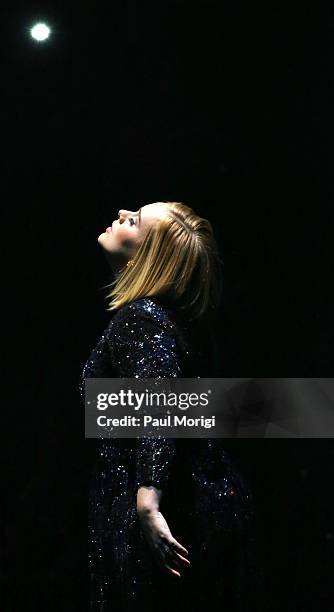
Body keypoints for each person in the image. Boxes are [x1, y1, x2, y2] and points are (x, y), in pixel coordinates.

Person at [80, 201, 262, 611]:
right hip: (201, 494)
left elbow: (159, 401)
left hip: (167, 503)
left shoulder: (141, 317)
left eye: (137, 220)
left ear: (149, 256)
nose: (124, 212)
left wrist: (147, 498)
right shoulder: (176, 319)